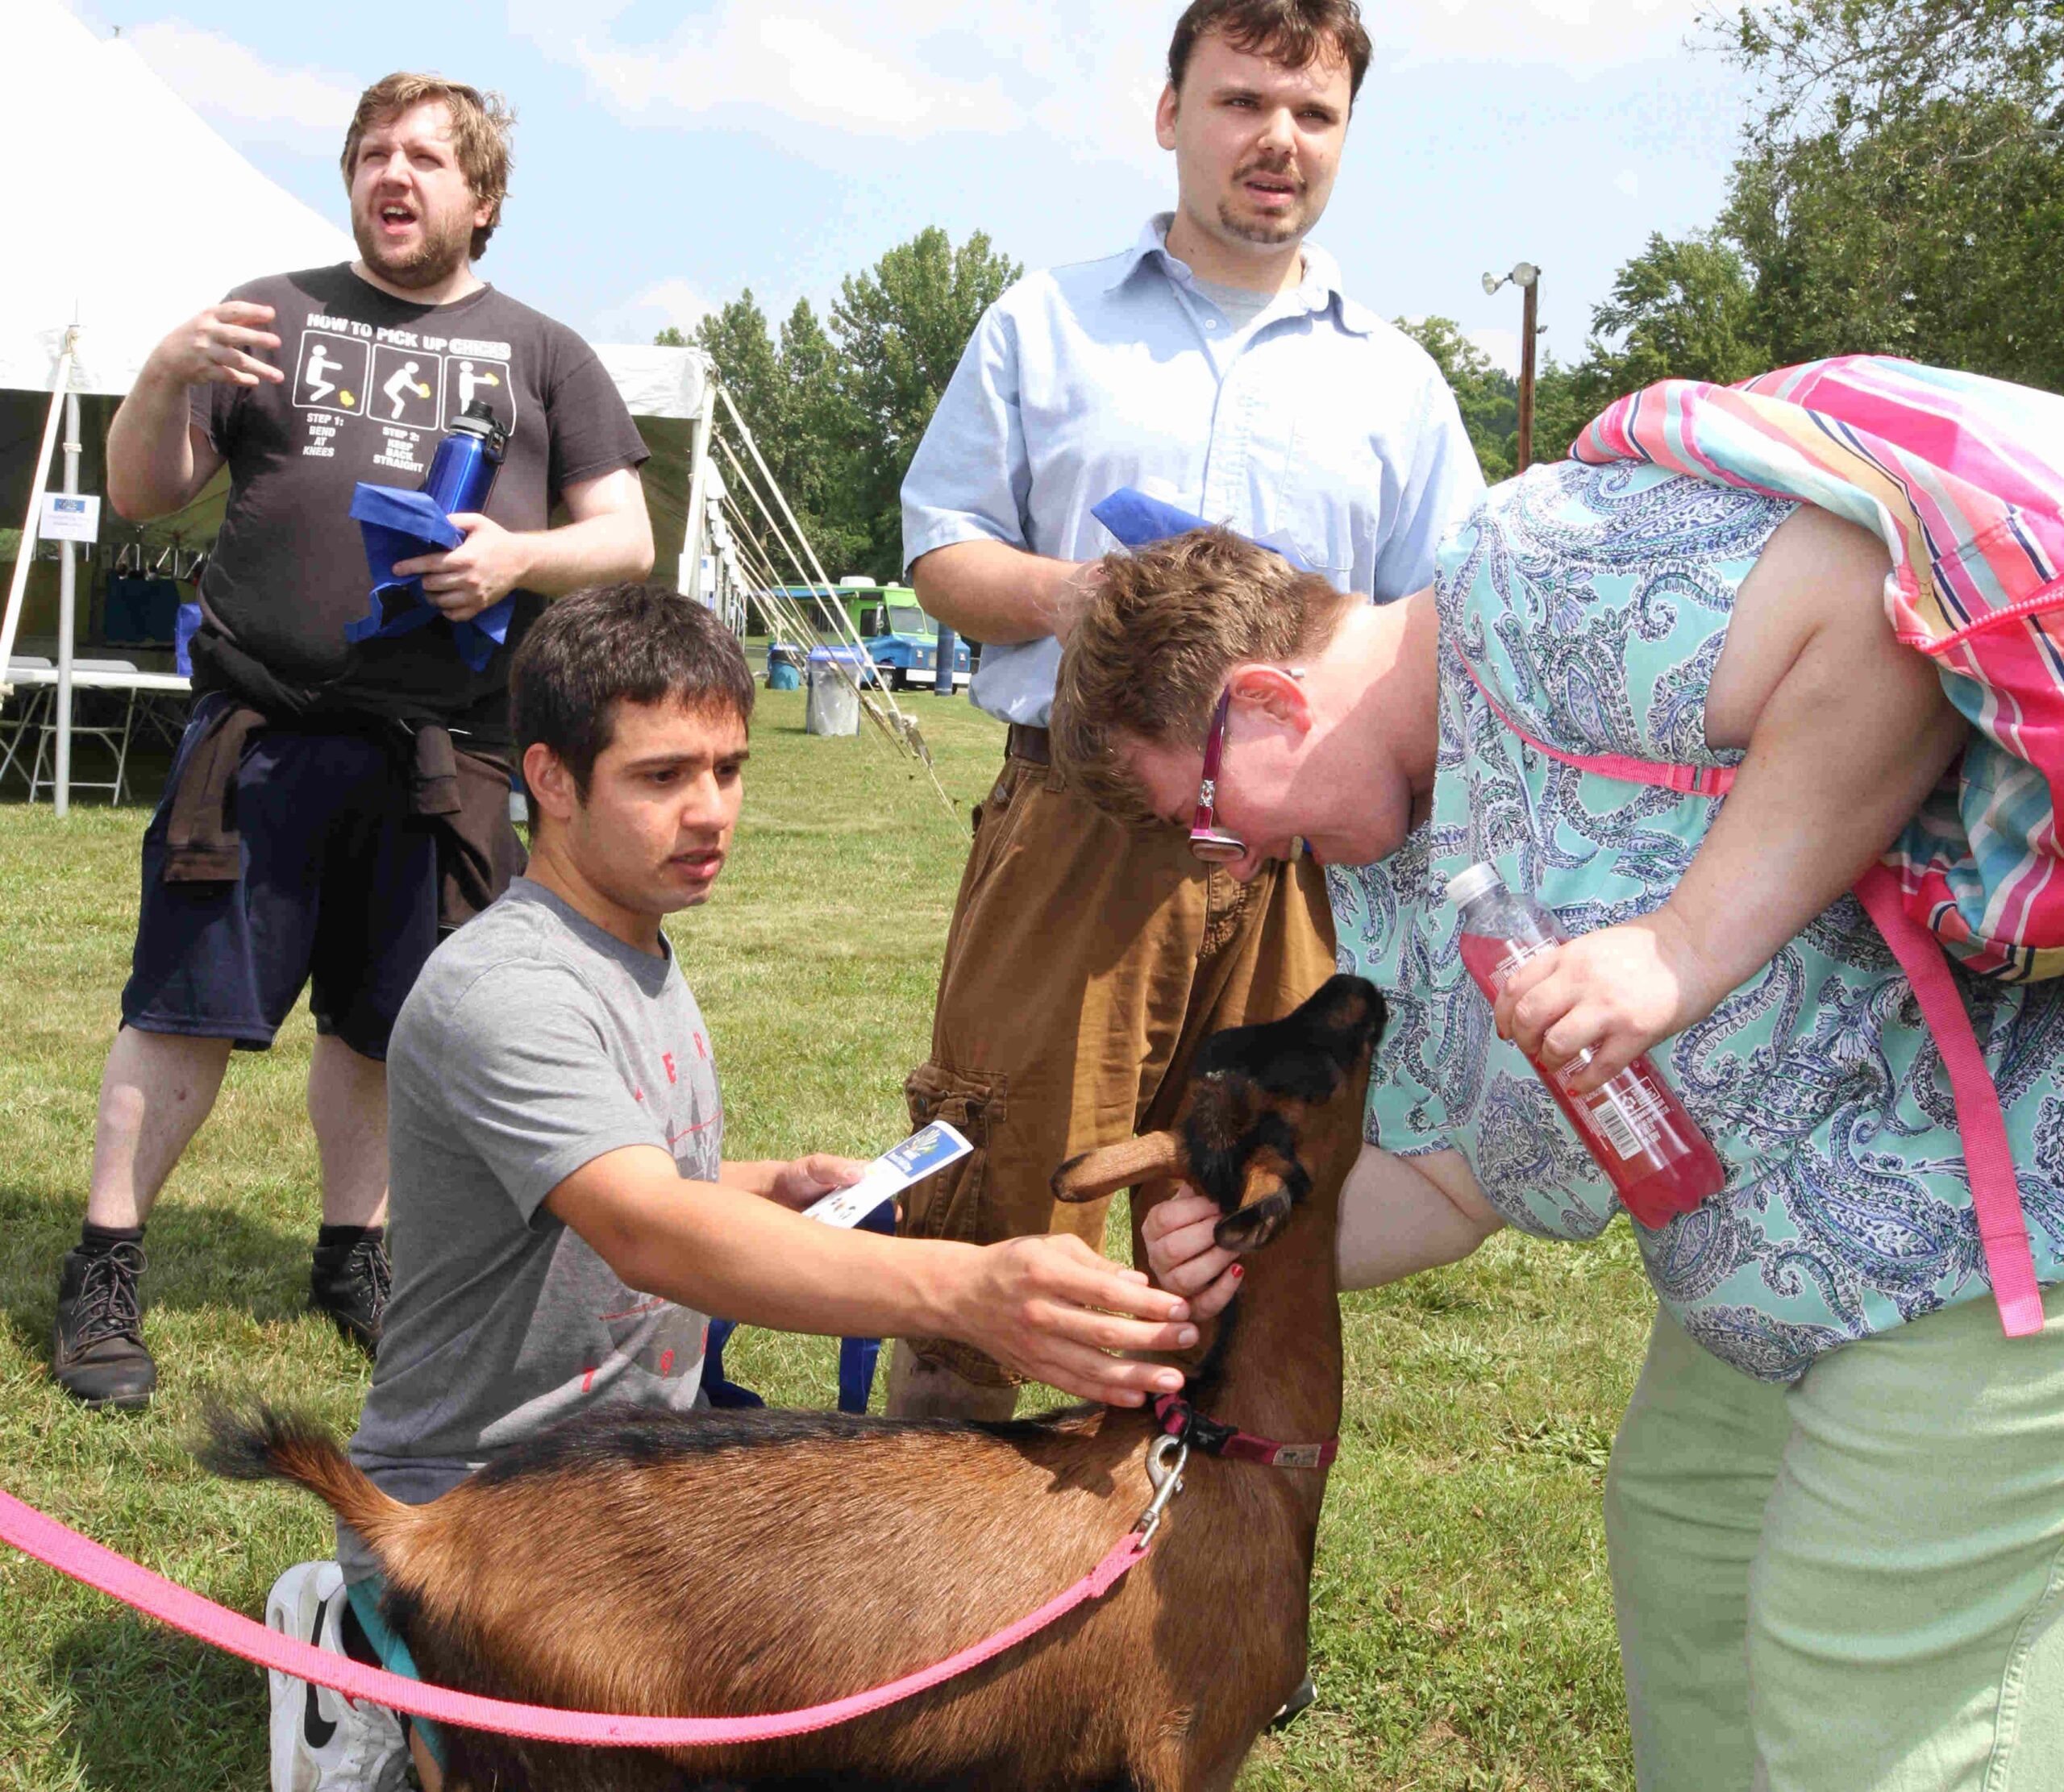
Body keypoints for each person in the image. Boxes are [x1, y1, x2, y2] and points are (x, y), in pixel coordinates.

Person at [1048, 453, 2064, 1788]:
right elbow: (1460, 1174)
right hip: (1780, 1289)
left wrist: (1681, 947)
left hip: (1971, 1241)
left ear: (1268, 703)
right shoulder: (1396, 874)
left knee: (1870, 1698)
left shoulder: (1539, 568)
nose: (1232, 861)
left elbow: (1884, 622)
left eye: (1203, 814)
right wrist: (1253, 1240)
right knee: (1682, 1549)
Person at [268, 583, 1204, 1792]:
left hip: (637, 1489)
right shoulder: (506, 988)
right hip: (476, 1516)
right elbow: (649, 1227)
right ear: (550, 780)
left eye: (729, 768)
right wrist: (967, 1293)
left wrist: (771, 1186)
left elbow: (649, 1175)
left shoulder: (631, 942)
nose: (711, 813)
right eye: (662, 778)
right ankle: (368, 1654)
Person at [890, 0, 1484, 1422]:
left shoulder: (1394, 384)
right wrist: (1068, 597)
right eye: (1239, 103)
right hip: (1081, 823)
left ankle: (1177, 1617)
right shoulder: (1048, 321)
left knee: (1241, 1221)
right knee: (996, 1193)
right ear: (1171, 116)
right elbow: (935, 547)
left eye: (1314, 113)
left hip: (1291, 862)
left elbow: (1449, 623)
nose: (1276, 140)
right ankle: (926, 1578)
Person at [52, 73, 656, 1408]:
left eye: (430, 158)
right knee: (182, 1007)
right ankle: (104, 1268)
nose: (396, 173)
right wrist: (159, 374)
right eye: (375, 152)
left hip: (449, 751)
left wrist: (517, 559)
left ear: (481, 198)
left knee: (393, 1024)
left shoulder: (547, 352)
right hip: (260, 732)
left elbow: (627, 539)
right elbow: (143, 486)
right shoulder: (270, 313)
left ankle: (353, 1257)